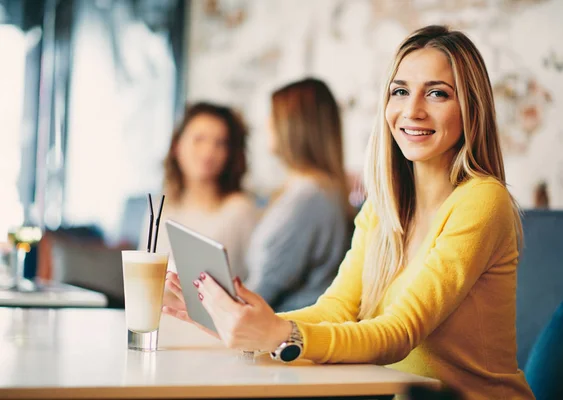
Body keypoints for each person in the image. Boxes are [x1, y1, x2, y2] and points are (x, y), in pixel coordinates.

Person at [163, 26, 535, 399]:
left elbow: (400, 332)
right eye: (400, 91)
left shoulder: (483, 200)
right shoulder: (384, 203)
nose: (412, 110)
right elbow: (338, 307)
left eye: (437, 93)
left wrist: (282, 335)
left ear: (471, 106)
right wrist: (246, 325)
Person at [243, 77, 353, 312]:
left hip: (287, 332)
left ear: (294, 125)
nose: (266, 123)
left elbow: (265, 288)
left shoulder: (310, 198)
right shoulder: (314, 190)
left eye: (273, 115)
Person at [139, 102, 258, 282]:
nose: (208, 152)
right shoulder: (161, 208)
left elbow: (253, 283)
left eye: (220, 143)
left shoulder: (240, 210)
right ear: (177, 146)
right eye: (199, 139)